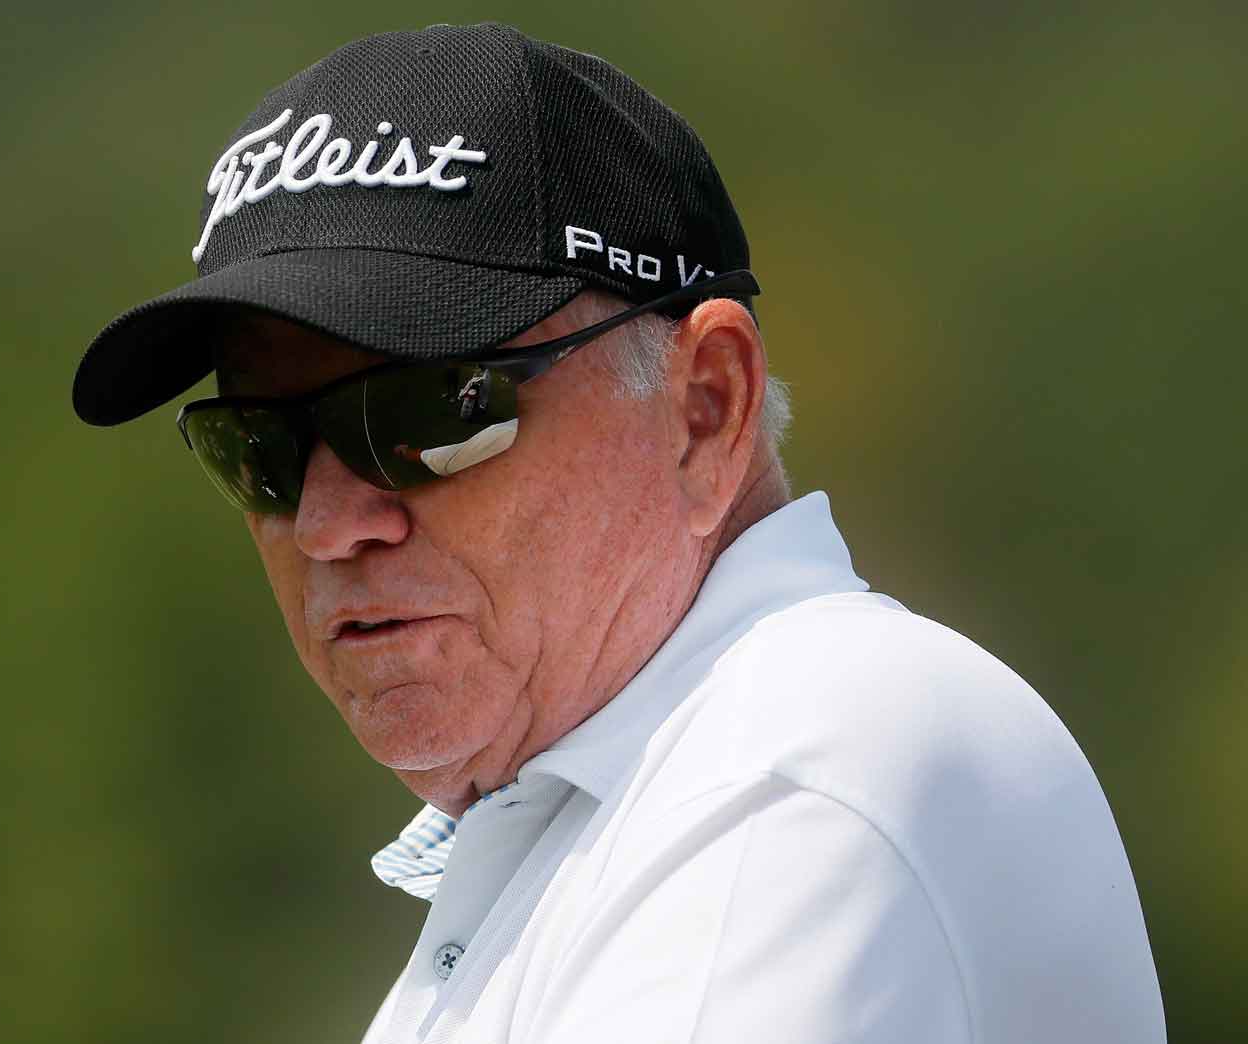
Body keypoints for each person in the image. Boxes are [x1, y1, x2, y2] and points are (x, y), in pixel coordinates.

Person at [71, 22, 1164, 1044]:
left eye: (429, 412)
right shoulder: (621, 807)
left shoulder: (798, 765)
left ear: (704, 410)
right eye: (254, 446)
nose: (323, 523)